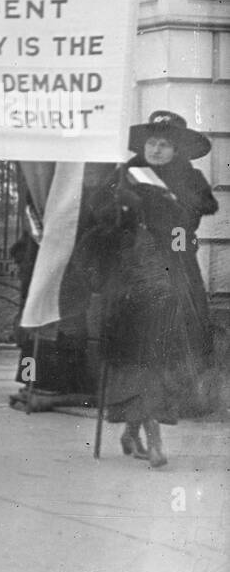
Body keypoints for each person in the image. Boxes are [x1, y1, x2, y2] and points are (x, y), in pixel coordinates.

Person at [83, 110, 219, 468]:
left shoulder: (190, 181)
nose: (157, 149)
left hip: (174, 271)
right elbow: (99, 215)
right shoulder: (125, 173)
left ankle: (134, 430)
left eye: (165, 144)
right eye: (153, 142)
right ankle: (151, 438)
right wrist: (119, 214)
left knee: (164, 351)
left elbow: (191, 220)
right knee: (136, 352)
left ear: (178, 149)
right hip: (130, 275)